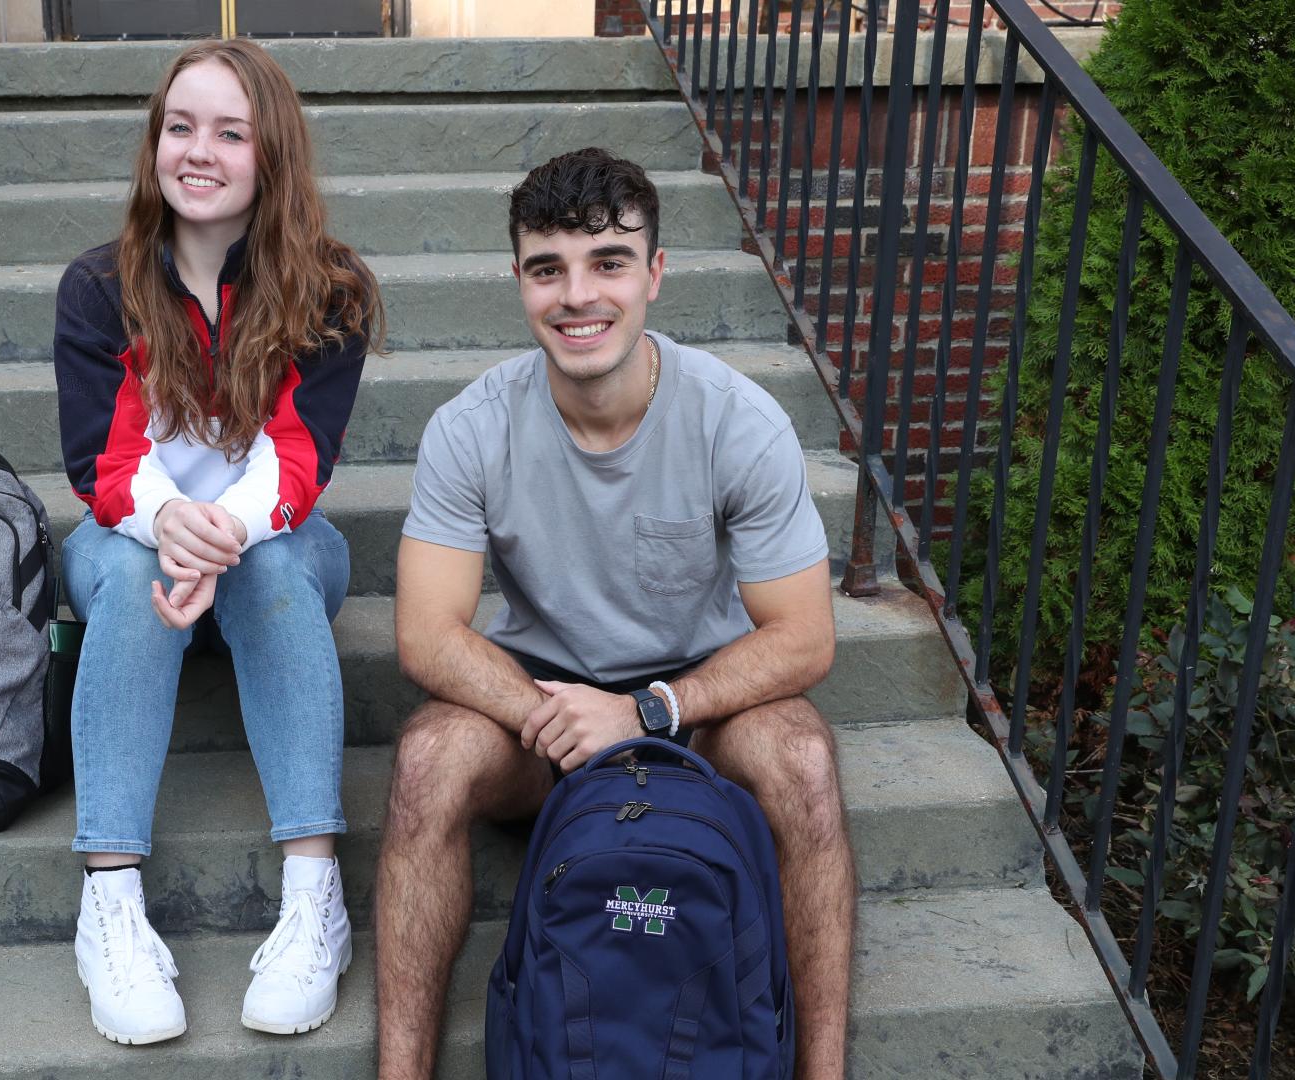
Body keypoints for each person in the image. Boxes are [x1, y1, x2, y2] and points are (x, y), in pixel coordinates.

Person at [374, 147, 853, 1079]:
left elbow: (805, 637)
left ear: (655, 275)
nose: (576, 295)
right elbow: (426, 635)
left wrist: (643, 715)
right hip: (539, 719)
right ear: (518, 281)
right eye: (548, 268)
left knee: (801, 760)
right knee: (427, 759)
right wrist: (550, 718)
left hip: (698, 714)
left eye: (608, 263)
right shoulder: (471, 430)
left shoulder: (736, 422)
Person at [51, 39, 383, 1047]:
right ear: (155, 143)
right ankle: (110, 904)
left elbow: (295, 462)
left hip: (276, 544)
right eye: (180, 126)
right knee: (128, 561)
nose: (199, 150)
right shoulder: (98, 286)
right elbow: (102, 467)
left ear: (270, 154)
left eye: (230, 132)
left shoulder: (331, 289)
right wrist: (170, 535)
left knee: (279, 565)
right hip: (124, 542)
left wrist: (219, 539)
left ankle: (313, 896)